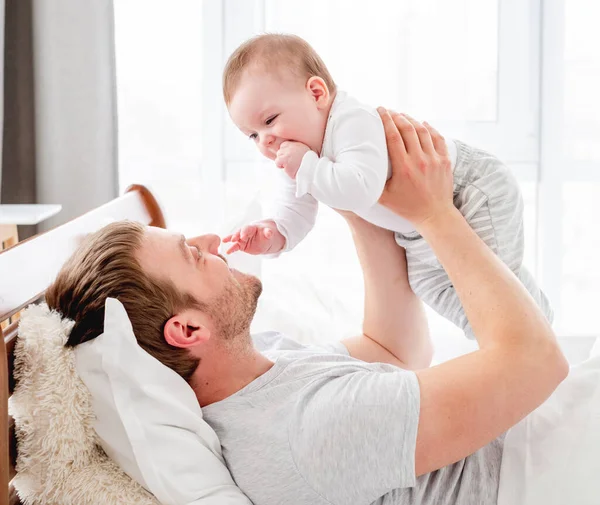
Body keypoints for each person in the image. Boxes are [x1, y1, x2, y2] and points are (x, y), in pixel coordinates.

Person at [46, 111, 568, 505]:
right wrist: (433, 214)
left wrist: (349, 195)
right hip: (549, 461)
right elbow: (539, 362)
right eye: (189, 252)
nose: (209, 239)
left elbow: (395, 348)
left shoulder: (255, 374)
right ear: (186, 329)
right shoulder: (301, 434)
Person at [221, 33, 553, 339]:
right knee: (430, 284)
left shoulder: (352, 120)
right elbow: (294, 210)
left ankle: (521, 331)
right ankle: (506, 333)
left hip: (470, 189)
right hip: (416, 229)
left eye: (269, 121)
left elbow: (361, 189)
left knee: (490, 284)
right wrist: (273, 232)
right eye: (252, 135)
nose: (265, 141)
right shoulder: (296, 156)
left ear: (317, 93)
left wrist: (308, 166)